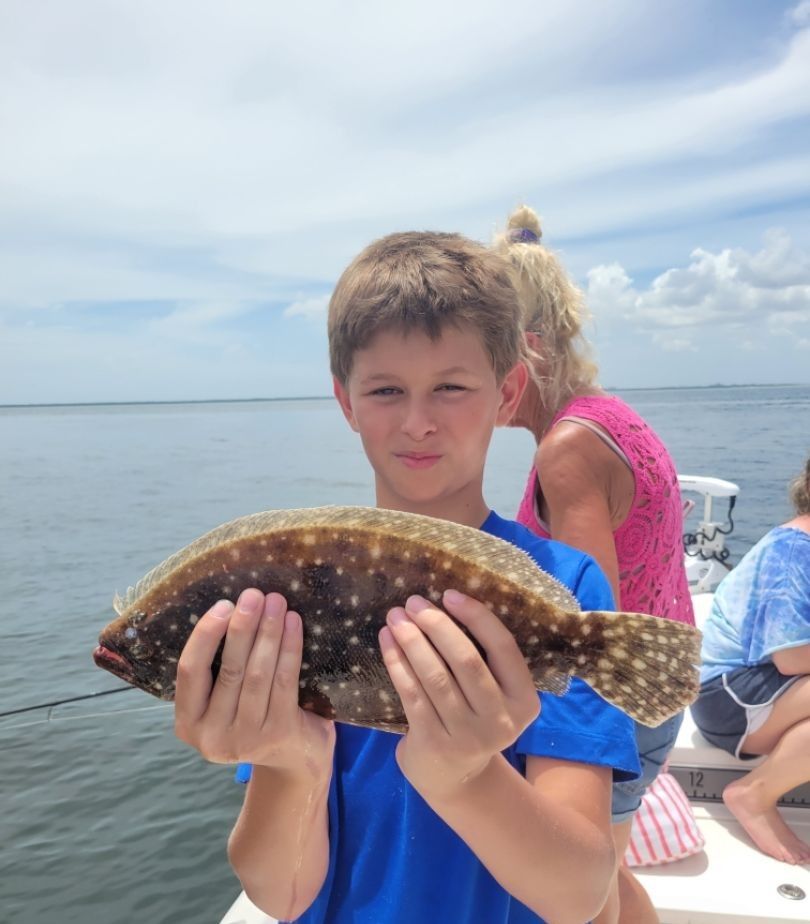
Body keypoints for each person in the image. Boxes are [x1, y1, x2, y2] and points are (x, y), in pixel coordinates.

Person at [173, 230, 642, 924]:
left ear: (508, 391)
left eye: (450, 388)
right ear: (346, 401)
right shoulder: (292, 591)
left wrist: (466, 776)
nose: (418, 423)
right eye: (387, 390)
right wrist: (290, 760)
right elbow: (280, 892)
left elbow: (580, 893)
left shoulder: (566, 588)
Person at [492, 205, 695, 924]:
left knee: (582, 899)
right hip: (656, 684)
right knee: (607, 880)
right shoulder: (609, 416)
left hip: (616, 705)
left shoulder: (566, 450)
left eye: (481, 361)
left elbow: (589, 619)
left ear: (528, 351)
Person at [691, 456, 810, 864]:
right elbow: (791, 657)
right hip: (727, 696)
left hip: (766, 689)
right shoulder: (793, 551)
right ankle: (753, 795)